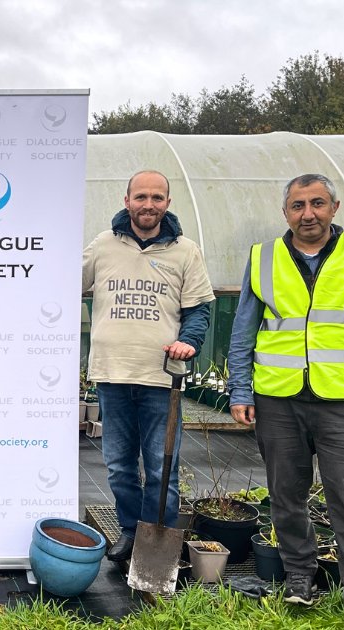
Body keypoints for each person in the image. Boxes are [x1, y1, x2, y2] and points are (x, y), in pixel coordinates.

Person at [227, 173, 344, 630]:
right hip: (279, 399)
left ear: (334, 207)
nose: (308, 214)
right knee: (286, 498)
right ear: (285, 212)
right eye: (297, 206)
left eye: (317, 204)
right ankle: (299, 577)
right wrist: (241, 389)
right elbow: (243, 329)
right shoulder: (264, 257)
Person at [81, 170, 215, 563]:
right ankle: (128, 531)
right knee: (120, 465)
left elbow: (199, 308)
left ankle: (157, 545)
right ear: (127, 201)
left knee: (161, 467)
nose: (148, 204)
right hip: (112, 374)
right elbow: (64, 281)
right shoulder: (103, 245)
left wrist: (189, 341)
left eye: (157, 197)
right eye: (141, 197)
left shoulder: (185, 251)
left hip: (161, 378)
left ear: (167, 204)